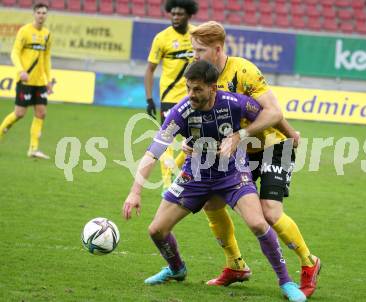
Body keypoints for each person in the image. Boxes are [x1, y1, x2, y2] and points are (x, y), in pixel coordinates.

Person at [122, 60, 307, 302]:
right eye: (188, 88)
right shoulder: (181, 111)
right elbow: (153, 151)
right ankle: (177, 269)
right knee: (156, 230)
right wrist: (135, 192)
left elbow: (269, 114)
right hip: (195, 176)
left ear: (213, 88)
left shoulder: (234, 103)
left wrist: (289, 134)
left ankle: (286, 282)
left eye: (197, 89)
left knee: (258, 224)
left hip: (233, 173)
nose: (191, 94)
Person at [186, 21, 320, 297]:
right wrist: (192, 144)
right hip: (239, 151)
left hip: (273, 145)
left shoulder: (243, 70)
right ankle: (235, 265)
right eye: (193, 50)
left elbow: (273, 112)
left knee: (269, 213)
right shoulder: (204, 77)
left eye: (199, 50)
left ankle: (309, 262)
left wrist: (246, 133)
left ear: (217, 49)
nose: (194, 56)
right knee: (211, 203)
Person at [144, 0, 198, 191]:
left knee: (196, 140)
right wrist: (149, 98)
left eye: (179, 14)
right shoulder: (161, 38)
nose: (175, 17)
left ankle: (176, 170)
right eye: (172, 14)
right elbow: (150, 69)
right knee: (167, 140)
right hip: (169, 98)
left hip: (194, 98)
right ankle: (168, 185)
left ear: (189, 14)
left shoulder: (197, 36)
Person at [0, 3, 53, 159]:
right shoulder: (24, 31)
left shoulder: (47, 34)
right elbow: (15, 53)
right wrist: (21, 70)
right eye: (39, 12)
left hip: (40, 82)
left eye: (44, 13)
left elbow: (46, 58)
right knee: (19, 113)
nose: (42, 15)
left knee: (41, 112)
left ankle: (33, 149)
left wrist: (48, 79)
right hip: (25, 80)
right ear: (34, 14)